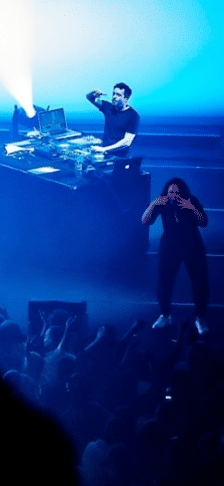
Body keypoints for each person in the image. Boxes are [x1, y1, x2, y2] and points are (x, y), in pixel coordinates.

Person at [142, 177, 209, 333]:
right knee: (164, 284)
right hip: (169, 248)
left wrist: (191, 207)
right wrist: (153, 204)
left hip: (193, 247)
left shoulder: (191, 201)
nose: (174, 195)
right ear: (167, 192)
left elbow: (204, 222)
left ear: (183, 193)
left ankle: (200, 318)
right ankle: (165, 315)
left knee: (200, 283)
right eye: (171, 192)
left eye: (177, 192)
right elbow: (145, 221)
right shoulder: (163, 203)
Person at [86, 82, 139, 157]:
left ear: (125, 99)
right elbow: (89, 98)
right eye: (114, 93)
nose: (114, 97)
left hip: (120, 157)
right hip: (105, 153)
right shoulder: (108, 107)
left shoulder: (133, 116)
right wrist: (93, 93)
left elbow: (126, 142)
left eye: (118, 95)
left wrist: (104, 149)